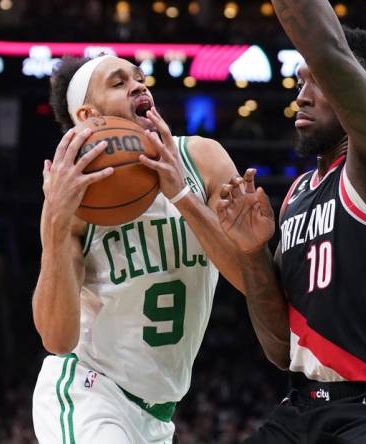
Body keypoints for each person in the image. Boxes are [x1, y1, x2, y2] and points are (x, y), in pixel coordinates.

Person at [217, 2, 366, 442]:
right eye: (299, 81)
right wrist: (251, 253)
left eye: (317, 81)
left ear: (352, 90)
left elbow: (327, 48)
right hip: (302, 408)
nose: (301, 94)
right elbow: (282, 351)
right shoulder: (298, 195)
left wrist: (327, 59)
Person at [30, 54, 258, 444]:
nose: (138, 85)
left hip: (158, 414)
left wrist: (183, 195)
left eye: (138, 78)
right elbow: (57, 339)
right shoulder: (76, 198)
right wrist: (55, 223)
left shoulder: (203, 158)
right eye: (118, 83)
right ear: (87, 114)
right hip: (89, 392)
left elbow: (254, 283)